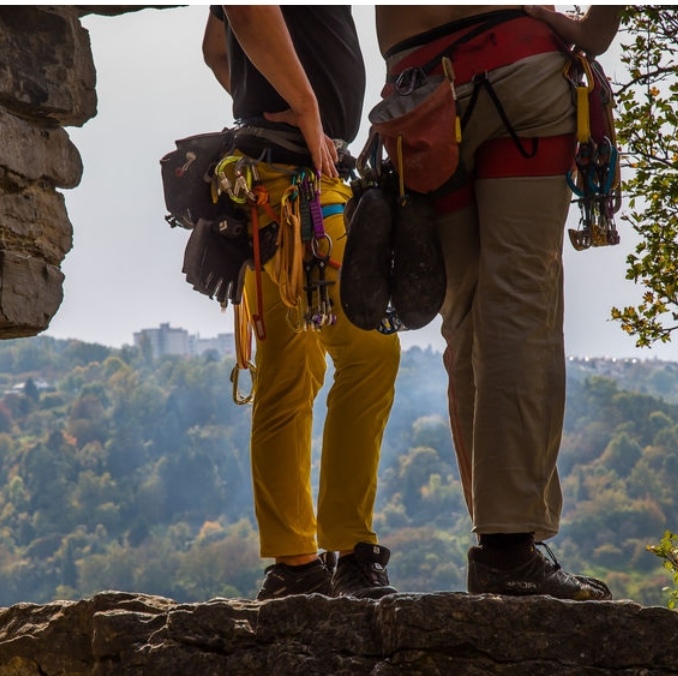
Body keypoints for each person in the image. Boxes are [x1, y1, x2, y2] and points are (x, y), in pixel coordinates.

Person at [372, 5, 623, 600]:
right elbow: (599, 28)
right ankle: (508, 547)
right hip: (520, 70)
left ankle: (500, 537)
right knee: (517, 306)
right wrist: (591, 33)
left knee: (464, 316)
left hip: (419, 94)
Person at [201, 6, 401, 600]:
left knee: (293, 370)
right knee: (368, 354)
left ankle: (297, 564)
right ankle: (347, 552)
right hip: (298, 179)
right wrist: (308, 110)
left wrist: (278, 103)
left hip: (282, 175)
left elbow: (217, 48)